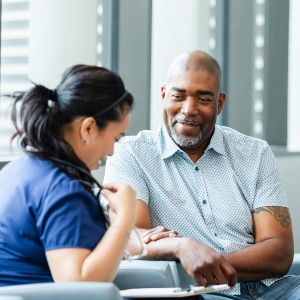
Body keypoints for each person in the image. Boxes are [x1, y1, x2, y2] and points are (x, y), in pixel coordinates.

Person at [103, 50, 300, 299]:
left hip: (275, 289)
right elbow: (131, 237)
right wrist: (182, 247)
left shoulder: (254, 153)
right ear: (164, 95)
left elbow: (279, 252)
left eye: (204, 100)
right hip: (197, 292)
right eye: (178, 96)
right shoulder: (130, 154)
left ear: (219, 103)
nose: (188, 109)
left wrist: (206, 261)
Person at [0, 65, 138, 287]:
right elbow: (79, 287)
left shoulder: (15, 171)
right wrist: (124, 218)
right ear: (88, 129)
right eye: (116, 137)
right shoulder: (64, 191)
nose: (112, 151)